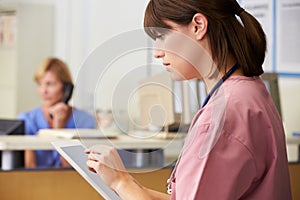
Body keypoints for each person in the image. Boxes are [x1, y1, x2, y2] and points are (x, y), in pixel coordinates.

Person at [86, 0, 292, 199]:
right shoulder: (250, 93)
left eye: (162, 35)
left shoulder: (223, 115)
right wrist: (127, 183)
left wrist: (121, 182)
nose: (157, 53)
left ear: (198, 26)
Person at [18, 57, 96, 168]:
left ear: (67, 88)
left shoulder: (84, 120)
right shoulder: (28, 119)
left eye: (50, 84)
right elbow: (29, 167)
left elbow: (73, 170)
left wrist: (59, 129)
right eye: (40, 84)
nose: (43, 91)